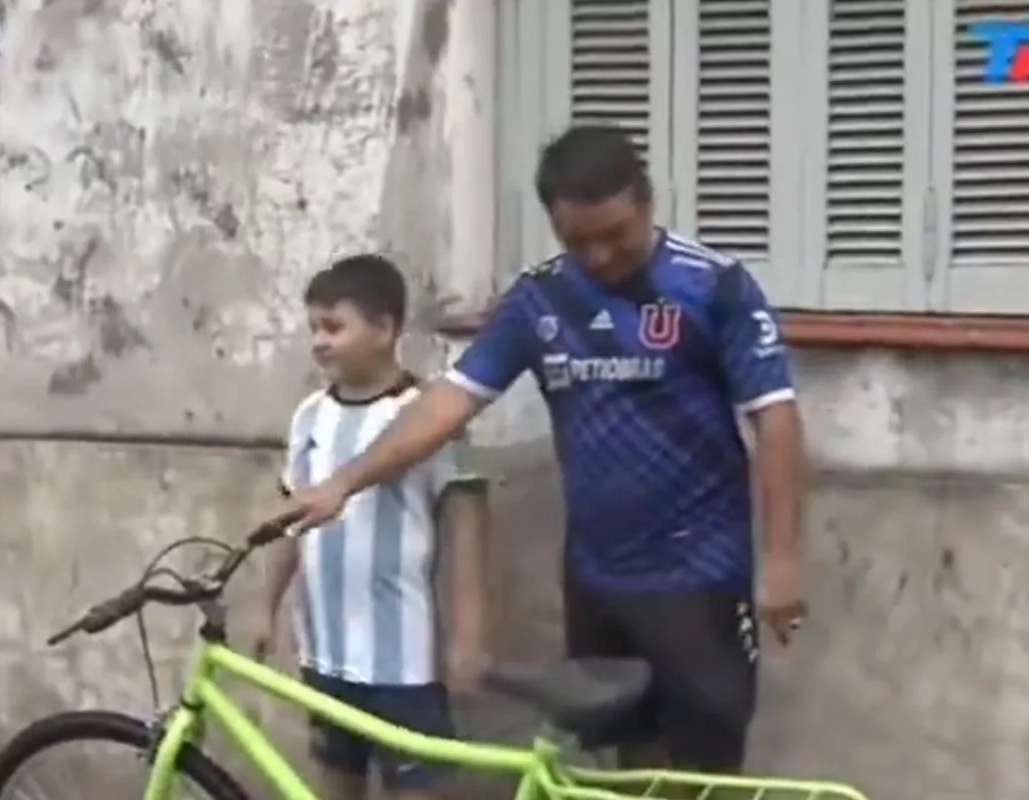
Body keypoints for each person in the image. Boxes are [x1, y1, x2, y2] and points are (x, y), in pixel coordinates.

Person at [286, 124, 808, 773]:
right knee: (624, 761)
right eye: (577, 241)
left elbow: (775, 418)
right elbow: (449, 402)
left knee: (703, 769)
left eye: (614, 234)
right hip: (596, 578)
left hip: (698, 575)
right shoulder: (540, 300)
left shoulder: (713, 287)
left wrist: (782, 560)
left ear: (646, 202)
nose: (599, 256)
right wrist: (344, 482)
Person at [256, 254, 490, 800]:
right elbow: (291, 521)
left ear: (384, 329)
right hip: (325, 655)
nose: (319, 342)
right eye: (314, 328)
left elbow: (467, 525)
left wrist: (469, 635)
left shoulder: (428, 414)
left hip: (403, 663)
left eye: (333, 327)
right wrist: (266, 607)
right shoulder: (310, 416)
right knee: (336, 782)